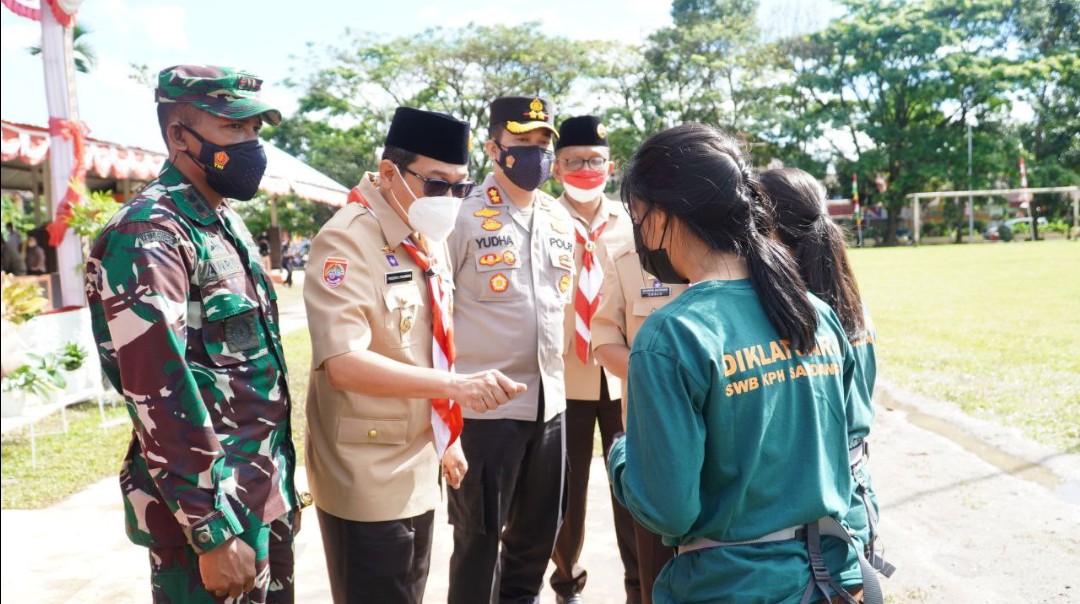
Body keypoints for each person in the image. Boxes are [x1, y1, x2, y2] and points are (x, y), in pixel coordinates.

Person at [606, 124, 881, 604]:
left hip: (731, 587)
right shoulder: (814, 312)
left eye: (637, 214)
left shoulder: (672, 334)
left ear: (659, 215)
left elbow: (667, 509)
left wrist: (622, 454)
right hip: (832, 580)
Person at [84, 65, 301, 603]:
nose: (251, 144)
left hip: (259, 493)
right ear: (179, 136)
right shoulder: (149, 233)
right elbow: (160, 394)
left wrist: (281, 489)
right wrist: (210, 530)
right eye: (233, 128)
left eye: (254, 130)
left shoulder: (221, 220)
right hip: (211, 516)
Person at [303, 106, 526, 604]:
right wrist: (457, 389)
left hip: (419, 460)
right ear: (389, 174)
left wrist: (447, 435)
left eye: (461, 187)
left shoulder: (426, 235)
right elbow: (343, 363)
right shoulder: (346, 239)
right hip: (366, 470)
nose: (449, 199)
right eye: (437, 184)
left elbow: (432, 343)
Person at [446, 95, 574, 604]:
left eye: (543, 141)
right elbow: (436, 313)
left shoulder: (559, 218)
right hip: (485, 410)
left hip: (551, 404)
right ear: (493, 149)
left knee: (536, 542)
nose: (536, 152)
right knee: (477, 545)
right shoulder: (461, 216)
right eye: (523, 141)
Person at [761, 167, 895, 579]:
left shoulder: (790, 314)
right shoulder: (851, 299)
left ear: (769, 230)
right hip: (853, 494)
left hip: (812, 504)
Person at [547, 115, 638, 604]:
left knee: (634, 485)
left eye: (596, 161)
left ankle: (640, 585)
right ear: (556, 167)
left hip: (624, 372)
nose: (586, 170)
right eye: (575, 161)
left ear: (611, 165)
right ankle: (567, 582)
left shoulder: (633, 219)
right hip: (565, 372)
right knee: (566, 490)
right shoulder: (541, 217)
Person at [590, 239, 688, 604]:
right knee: (656, 572)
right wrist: (661, 376)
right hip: (654, 440)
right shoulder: (627, 260)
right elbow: (604, 340)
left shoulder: (726, 246)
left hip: (723, 442)